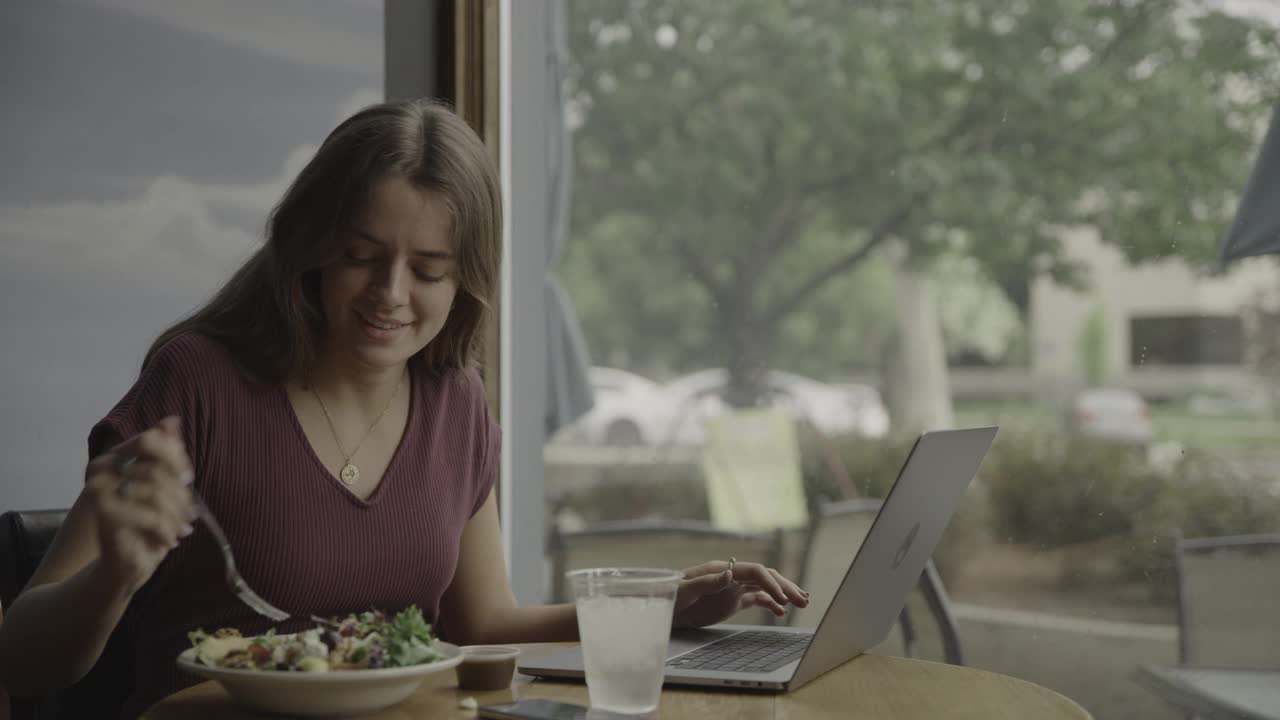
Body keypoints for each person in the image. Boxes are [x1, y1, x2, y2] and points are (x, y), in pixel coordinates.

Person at [0, 99, 808, 719]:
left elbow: (484, 622)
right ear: (311, 249)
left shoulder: (456, 403)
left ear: (466, 280)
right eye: (361, 257)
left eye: (427, 268)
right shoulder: (197, 381)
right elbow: (21, 659)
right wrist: (114, 574)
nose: (390, 294)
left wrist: (658, 604)